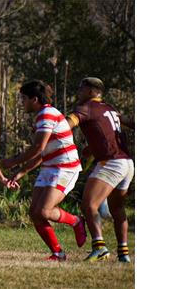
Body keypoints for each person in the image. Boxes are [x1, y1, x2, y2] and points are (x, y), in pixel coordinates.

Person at [3, 79, 86, 261]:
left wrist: (12, 161)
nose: (22, 103)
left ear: (34, 99)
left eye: (23, 99)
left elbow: (37, 148)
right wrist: (21, 173)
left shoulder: (47, 114)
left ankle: (76, 221)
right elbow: (42, 154)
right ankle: (58, 253)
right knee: (35, 213)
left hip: (65, 167)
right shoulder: (43, 115)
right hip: (50, 167)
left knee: (44, 211)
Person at [66, 77, 135, 262]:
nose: (78, 92)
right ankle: (124, 255)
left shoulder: (86, 107)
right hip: (127, 163)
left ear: (91, 91)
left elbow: (67, 124)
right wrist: (93, 148)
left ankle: (100, 247)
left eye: (81, 88)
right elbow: (124, 125)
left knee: (89, 205)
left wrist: (47, 127)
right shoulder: (110, 108)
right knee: (117, 209)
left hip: (111, 163)